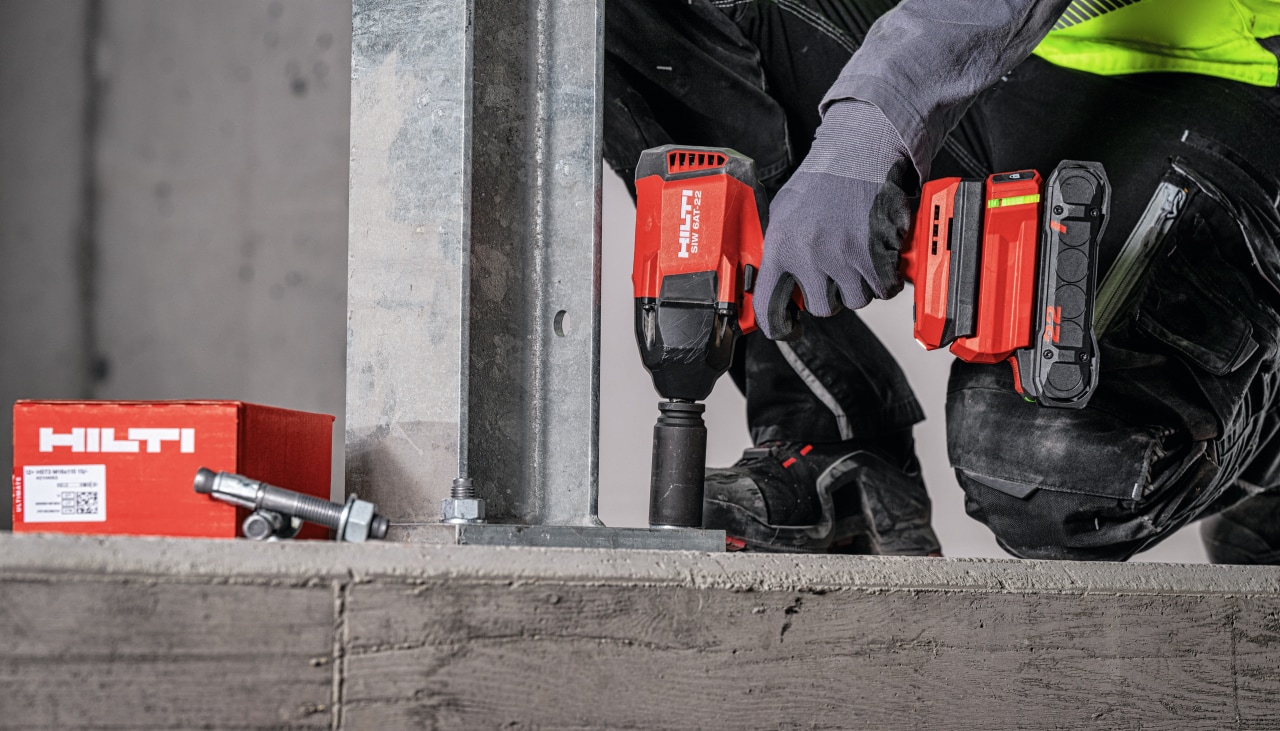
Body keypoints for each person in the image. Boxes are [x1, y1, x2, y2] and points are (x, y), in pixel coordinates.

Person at [604, 0, 1280, 562]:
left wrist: (868, 129)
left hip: (1225, 70)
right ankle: (835, 445)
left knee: (1048, 469)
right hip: (991, 43)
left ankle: (1267, 422)